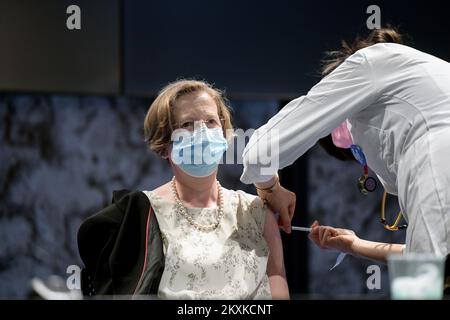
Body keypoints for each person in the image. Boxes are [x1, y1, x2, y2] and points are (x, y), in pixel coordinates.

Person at [240, 27, 450, 257]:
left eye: (355, 149)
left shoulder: (369, 63)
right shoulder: (426, 77)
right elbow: (419, 255)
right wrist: (354, 245)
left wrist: (269, 188)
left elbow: (260, 154)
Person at [78, 80, 289, 300]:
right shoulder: (144, 215)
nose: (203, 133)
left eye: (210, 121)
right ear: (164, 143)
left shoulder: (255, 213)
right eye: (187, 124)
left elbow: (277, 283)